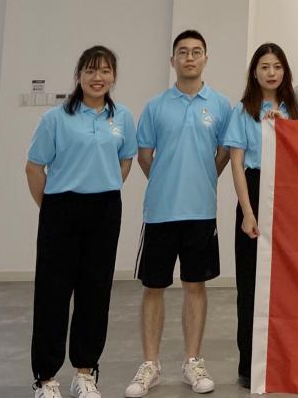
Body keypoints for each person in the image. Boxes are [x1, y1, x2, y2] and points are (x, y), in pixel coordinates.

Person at [26, 46, 137, 398]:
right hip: (61, 209)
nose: (97, 77)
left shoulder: (122, 117)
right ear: (79, 76)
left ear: (113, 76)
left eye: (105, 71)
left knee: (95, 293)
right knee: (53, 295)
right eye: (90, 70)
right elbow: (34, 168)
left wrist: (106, 185)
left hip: (105, 210)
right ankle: (45, 378)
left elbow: (126, 160)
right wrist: (51, 208)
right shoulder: (55, 119)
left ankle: (85, 372)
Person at [126, 30, 231, 397]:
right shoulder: (156, 106)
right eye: (182, 52)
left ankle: (192, 361)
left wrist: (202, 179)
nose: (189, 57)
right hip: (160, 211)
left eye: (196, 52)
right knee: (153, 287)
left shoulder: (220, 105)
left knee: (195, 285)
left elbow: (224, 153)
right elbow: (144, 155)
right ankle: (150, 364)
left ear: (205, 58)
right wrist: (167, 181)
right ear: (173, 60)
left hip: (201, 211)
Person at [223, 43, 298, 389]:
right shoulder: (243, 111)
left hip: (287, 193)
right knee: (250, 285)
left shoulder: (294, 109)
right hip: (254, 191)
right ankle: (249, 364)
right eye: (265, 66)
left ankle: (282, 361)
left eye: (277, 66)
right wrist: (247, 211)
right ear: (254, 73)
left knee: (285, 284)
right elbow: (237, 163)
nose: (271, 73)